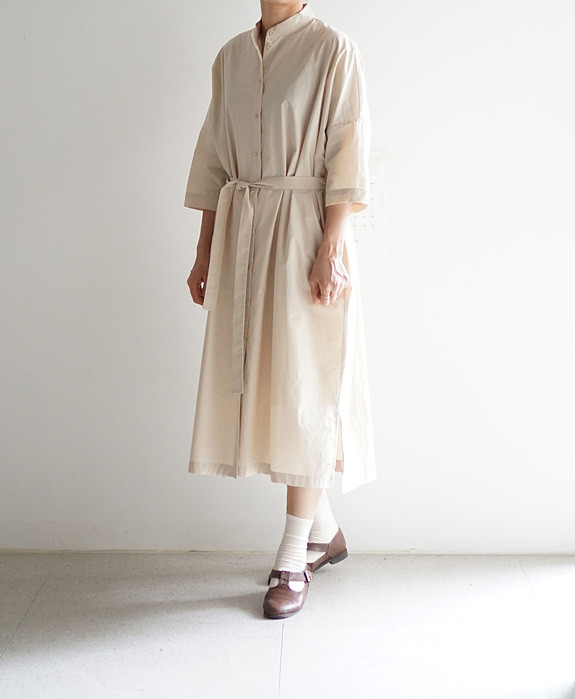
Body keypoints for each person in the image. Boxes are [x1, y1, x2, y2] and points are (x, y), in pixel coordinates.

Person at [183, 1, 376, 618]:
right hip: (244, 232)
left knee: (306, 389)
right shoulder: (231, 57)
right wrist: (204, 250)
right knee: (270, 389)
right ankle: (324, 532)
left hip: (305, 234)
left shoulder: (332, 49)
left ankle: (294, 556)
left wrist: (331, 248)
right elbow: (214, 157)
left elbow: (348, 151)